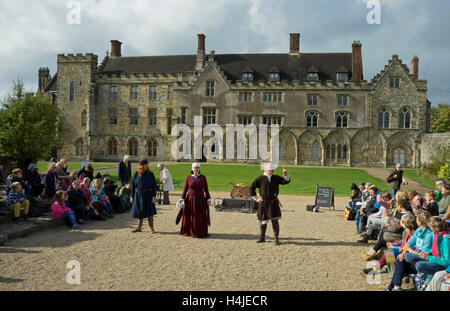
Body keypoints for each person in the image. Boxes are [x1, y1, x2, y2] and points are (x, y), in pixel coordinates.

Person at [385, 210, 434, 291]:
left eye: (417, 218)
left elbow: (424, 255)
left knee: (399, 257)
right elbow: (406, 244)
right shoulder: (417, 231)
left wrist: (408, 251)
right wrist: (403, 251)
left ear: (420, 221)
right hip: (413, 256)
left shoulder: (428, 235)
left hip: (421, 261)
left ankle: (391, 286)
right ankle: (396, 287)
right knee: (399, 259)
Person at [249, 163, 290, 245]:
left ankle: (276, 239)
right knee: (263, 221)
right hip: (264, 203)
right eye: (269, 170)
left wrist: (285, 174)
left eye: (272, 170)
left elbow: (286, 181)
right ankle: (262, 238)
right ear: (265, 170)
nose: (270, 171)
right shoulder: (260, 178)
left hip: (273, 203)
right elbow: (251, 188)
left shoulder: (276, 177)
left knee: (275, 221)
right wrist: (256, 199)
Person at [414, 216, 450, 290]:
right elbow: (437, 249)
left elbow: (446, 262)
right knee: (410, 257)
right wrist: (428, 252)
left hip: (441, 263)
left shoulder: (446, 239)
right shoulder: (436, 235)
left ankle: (427, 280)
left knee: (419, 265)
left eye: (430, 227)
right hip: (434, 258)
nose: (430, 229)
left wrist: (428, 257)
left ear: (436, 228)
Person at [177, 162, 211, 238]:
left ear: (199, 169)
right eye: (195, 168)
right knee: (190, 215)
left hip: (200, 199)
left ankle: (200, 232)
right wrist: (182, 198)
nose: (196, 169)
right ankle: (189, 231)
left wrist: (208, 198)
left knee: (200, 215)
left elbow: (206, 189)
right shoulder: (188, 178)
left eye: (197, 168)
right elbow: (185, 189)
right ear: (192, 168)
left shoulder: (203, 177)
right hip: (190, 200)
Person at [131, 159, 157, 233]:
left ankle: (151, 228)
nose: (146, 166)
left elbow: (154, 186)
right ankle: (139, 227)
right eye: (144, 165)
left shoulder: (150, 174)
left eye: (146, 164)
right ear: (141, 166)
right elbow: (133, 186)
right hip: (138, 195)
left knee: (150, 212)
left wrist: (154, 196)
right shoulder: (136, 174)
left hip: (148, 195)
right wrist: (131, 196)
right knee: (139, 212)